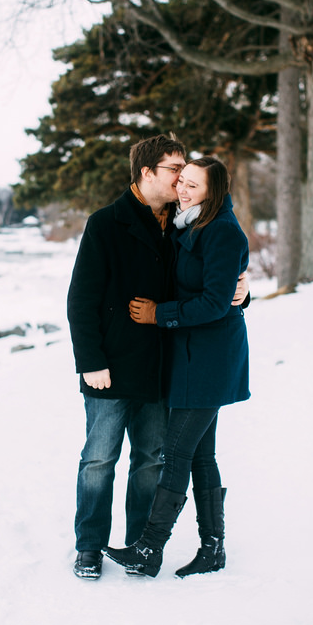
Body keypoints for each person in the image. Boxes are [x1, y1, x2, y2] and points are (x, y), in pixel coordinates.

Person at [65, 134, 248, 580]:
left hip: (165, 366)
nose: (181, 178)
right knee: (98, 459)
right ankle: (89, 547)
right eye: (174, 170)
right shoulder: (106, 223)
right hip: (111, 363)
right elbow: (80, 300)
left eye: (187, 173)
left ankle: (136, 544)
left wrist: (241, 296)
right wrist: (91, 362)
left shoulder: (183, 224)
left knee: (150, 459)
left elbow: (208, 286)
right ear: (148, 173)